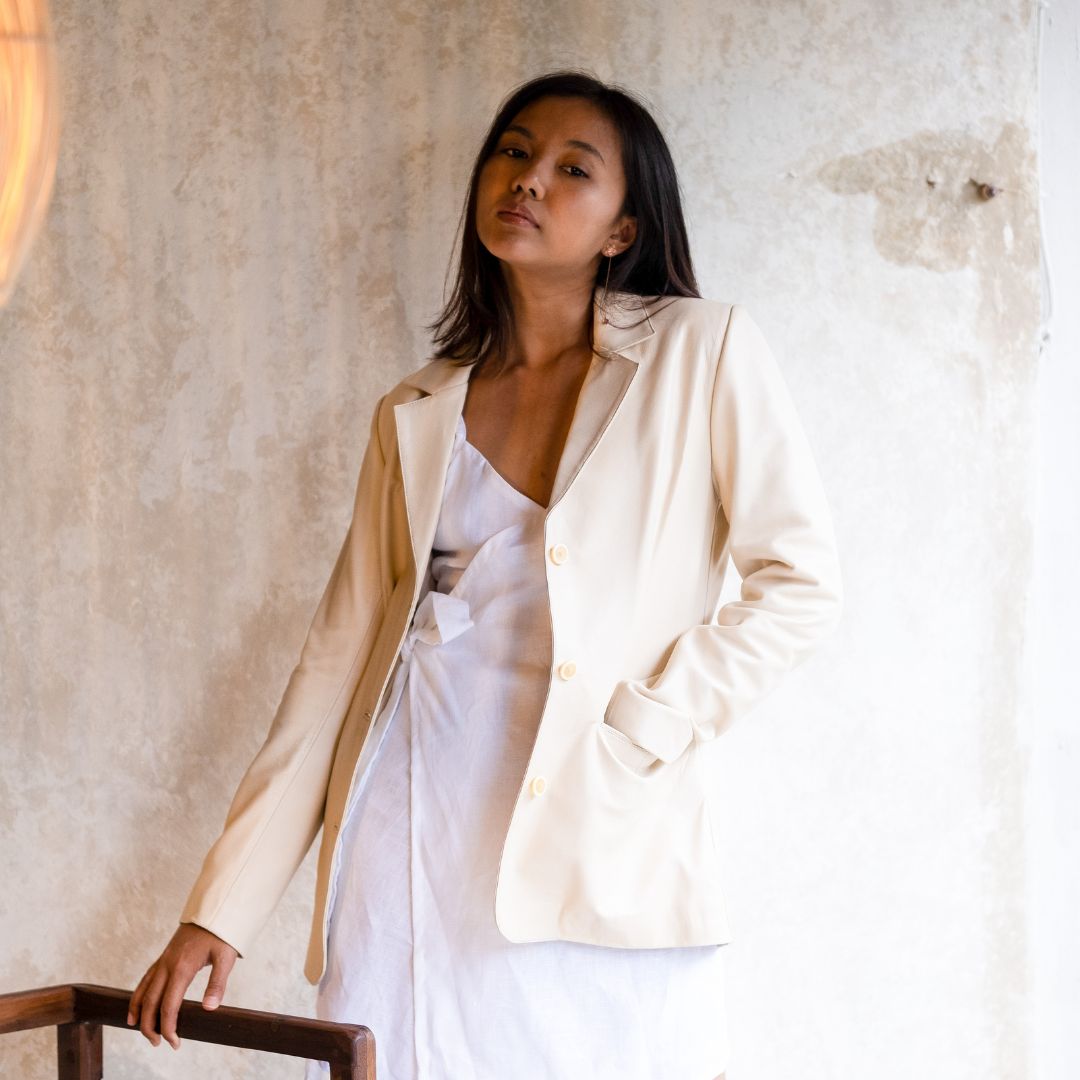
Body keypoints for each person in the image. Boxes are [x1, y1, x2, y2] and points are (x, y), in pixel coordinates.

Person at [127, 69, 843, 1080]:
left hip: (602, 838)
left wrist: (649, 724)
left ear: (621, 231)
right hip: (411, 835)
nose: (528, 179)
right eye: (513, 151)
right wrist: (223, 906)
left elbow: (798, 580)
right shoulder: (416, 410)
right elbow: (334, 668)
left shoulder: (702, 353)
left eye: (571, 169)